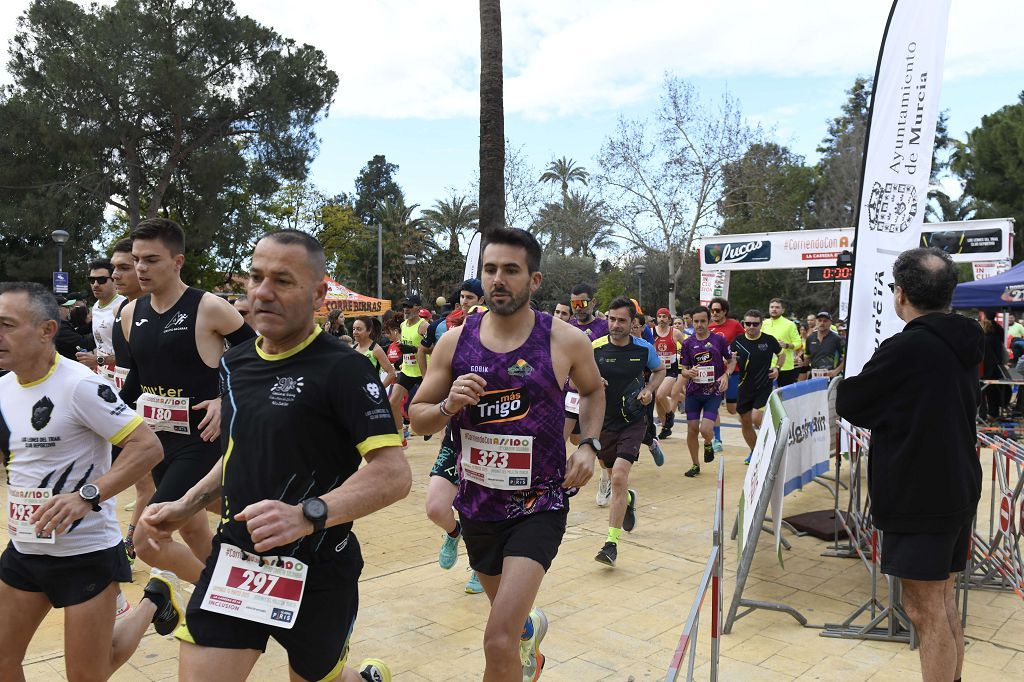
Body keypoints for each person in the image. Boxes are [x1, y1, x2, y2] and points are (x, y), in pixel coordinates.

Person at [137, 230, 407, 682]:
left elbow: (393, 474)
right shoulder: (234, 363)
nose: (263, 291)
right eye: (256, 277)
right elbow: (238, 452)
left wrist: (307, 514)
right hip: (239, 559)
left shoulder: (343, 368)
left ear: (319, 293)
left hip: (318, 566)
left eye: (283, 280)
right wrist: (187, 503)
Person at [409, 227, 604, 682]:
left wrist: (590, 446)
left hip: (540, 504)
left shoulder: (565, 340)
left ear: (534, 280)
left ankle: (516, 639)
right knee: (510, 626)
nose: (498, 279)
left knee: (496, 638)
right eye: (490, 269)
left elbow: (594, 392)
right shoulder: (455, 341)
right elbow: (417, 417)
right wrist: (447, 405)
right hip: (477, 505)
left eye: (511, 270)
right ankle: (528, 638)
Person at [0, 282, 180, 680]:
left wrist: (86, 496)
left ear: (47, 330)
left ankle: (153, 599)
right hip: (25, 547)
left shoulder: (80, 385)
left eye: (6, 325)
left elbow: (147, 447)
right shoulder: (3, 387)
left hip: (84, 554)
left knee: (87, 674)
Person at [836, 247, 982, 682]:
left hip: (921, 491)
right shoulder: (966, 338)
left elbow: (853, 402)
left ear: (900, 295)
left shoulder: (909, 347)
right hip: (955, 483)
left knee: (923, 609)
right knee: (942, 600)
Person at [119, 218, 255, 585]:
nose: (141, 268)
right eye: (136, 260)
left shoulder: (208, 307)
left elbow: (258, 357)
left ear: (178, 261)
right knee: (194, 532)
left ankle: (222, 598)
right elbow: (138, 374)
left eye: (152, 259)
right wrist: (110, 415)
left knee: (150, 536)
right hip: (157, 440)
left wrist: (224, 399)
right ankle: (238, 588)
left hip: (201, 440)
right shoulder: (131, 313)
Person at [592, 298, 665, 567]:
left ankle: (611, 543)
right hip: (604, 421)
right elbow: (578, 377)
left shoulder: (644, 349)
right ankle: (629, 499)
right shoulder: (595, 348)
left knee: (619, 477)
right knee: (612, 474)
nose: (615, 325)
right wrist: (592, 380)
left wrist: (649, 390)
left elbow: (660, 370)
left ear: (633, 322)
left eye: (621, 320)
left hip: (634, 420)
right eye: (611, 319)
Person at [109, 238, 157, 559]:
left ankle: (130, 543)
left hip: (158, 414)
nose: (116, 275)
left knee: (151, 486)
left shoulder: (165, 312)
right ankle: (131, 542)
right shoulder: (123, 310)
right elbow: (130, 369)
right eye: (115, 268)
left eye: (123, 267)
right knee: (148, 486)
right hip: (130, 406)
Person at [675, 306, 732, 477]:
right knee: (692, 429)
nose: (699, 325)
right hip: (693, 392)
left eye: (703, 321)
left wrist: (726, 375)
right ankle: (695, 464)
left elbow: (731, 360)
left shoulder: (718, 340)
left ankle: (708, 442)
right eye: (696, 321)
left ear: (709, 321)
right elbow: (683, 369)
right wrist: (688, 372)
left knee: (705, 429)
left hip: (713, 392)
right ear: (691, 321)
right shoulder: (687, 343)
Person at [728, 310, 783, 457]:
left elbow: (781, 354)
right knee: (745, 422)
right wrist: (727, 371)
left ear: (761, 324)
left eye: (755, 324)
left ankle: (773, 446)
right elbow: (730, 361)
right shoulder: (737, 341)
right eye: (748, 323)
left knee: (756, 418)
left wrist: (777, 368)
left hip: (763, 386)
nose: (751, 326)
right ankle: (756, 453)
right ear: (744, 324)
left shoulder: (769, 340)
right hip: (744, 387)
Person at [388, 294, 428, 447]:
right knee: (393, 403)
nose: (406, 309)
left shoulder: (424, 326)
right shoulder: (404, 325)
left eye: (409, 306)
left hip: (423, 371)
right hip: (407, 370)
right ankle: (401, 439)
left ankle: (432, 428)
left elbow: (434, 349)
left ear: (418, 308)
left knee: (426, 404)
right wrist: (402, 352)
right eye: (404, 306)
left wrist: (413, 349)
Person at [75, 259, 126, 377]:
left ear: (114, 280)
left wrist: (98, 360)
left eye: (102, 280)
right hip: (102, 372)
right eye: (91, 280)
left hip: (122, 375)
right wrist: (96, 364)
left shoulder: (124, 307)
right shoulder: (96, 307)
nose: (96, 284)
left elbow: (131, 353)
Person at [706, 297, 743, 446]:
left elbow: (745, 342)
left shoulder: (735, 325)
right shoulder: (709, 328)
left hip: (733, 372)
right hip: (714, 373)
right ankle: (717, 439)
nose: (714, 313)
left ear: (725, 311)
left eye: (717, 310)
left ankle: (750, 423)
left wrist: (736, 355)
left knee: (732, 409)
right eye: (712, 310)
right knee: (713, 406)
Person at [653, 307, 685, 440]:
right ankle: (666, 428)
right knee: (657, 400)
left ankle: (670, 415)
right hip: (656, 369)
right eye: (659, 316)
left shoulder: (675, 333)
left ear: (669, 319)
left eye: (664, 316)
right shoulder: (651, 332)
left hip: (671, 369)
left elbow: (687, 348)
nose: (661, 319)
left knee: (661, 395)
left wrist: (686, 363)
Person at [761, 298, 802, 387]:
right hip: (767, 366)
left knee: (785, 397)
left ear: (782, 310)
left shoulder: (790, 324)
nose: (774, 309)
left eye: (777, 307)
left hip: (785, 367)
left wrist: (786, 345)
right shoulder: (764, 323)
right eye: (771, 307)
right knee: (768, 396)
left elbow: (798, 342)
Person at [352, 316, 396, 388]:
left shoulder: (376, 350)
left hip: (370, 394)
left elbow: (391, 373)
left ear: (369, 331)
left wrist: (379, 389)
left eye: (359, 329)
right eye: (354, 329)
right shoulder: (353, 349)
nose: (355, 332)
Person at [804, 312, 846, 379]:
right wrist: (802, 368)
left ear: (830, 323)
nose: (822, 323)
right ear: (816, 322)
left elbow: (846, 358)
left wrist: (836, 371)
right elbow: (807, 359)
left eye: (825, 321)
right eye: (820, 320)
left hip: (831, 377)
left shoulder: (837, 339)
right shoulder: (810, 338)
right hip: (814, 377)